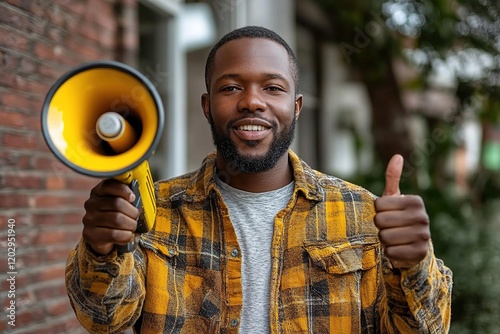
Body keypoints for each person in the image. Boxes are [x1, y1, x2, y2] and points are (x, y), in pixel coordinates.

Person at [65, 26, 452, 333]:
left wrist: (415, 265)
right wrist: (101, 251)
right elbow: (104, 320)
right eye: (231, 87)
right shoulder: (151, 215)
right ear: (206, 105)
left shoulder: (364, 215)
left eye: (273, 87)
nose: (252, 101)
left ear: (296, 107)